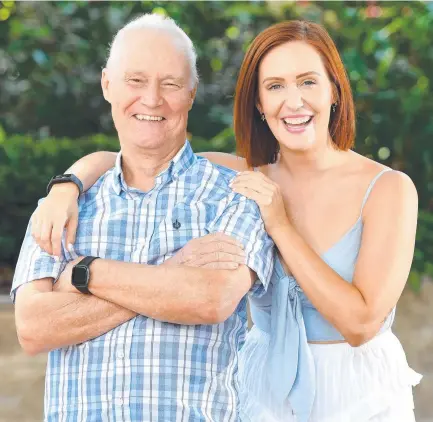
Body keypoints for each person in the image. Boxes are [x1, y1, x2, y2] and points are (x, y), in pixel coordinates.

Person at [30, 19, 421, 422]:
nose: (294, 101)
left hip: (358, 392)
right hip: (264, 389)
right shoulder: (245, 175)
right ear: (258, 103)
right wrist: (67, 186)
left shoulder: (387, 188)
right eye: (275, 86)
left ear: (334, 90)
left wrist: (281, 227)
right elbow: (131, 156)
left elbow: (361, 323)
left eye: (308, 82)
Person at [11, 14, 276, 422]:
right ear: (107, 85)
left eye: (169, 84)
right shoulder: (61, 207)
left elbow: (211, 299)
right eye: (135, 81)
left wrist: (85, 272)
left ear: (191, 93)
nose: (152, 99)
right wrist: (171, 274)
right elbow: (33, 328)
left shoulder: (235, 195)